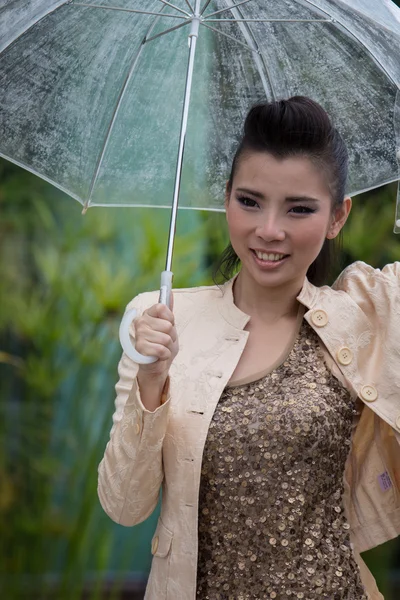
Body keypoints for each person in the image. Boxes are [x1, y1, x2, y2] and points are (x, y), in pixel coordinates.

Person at [97, 96, 400, 600]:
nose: (269, 230)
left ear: (338, 217)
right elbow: (124, 505)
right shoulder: (162, 321)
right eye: (250, 201)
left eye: (299, 208)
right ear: (227, 197)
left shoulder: (364, 315)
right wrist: (152, 382)